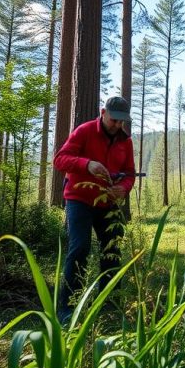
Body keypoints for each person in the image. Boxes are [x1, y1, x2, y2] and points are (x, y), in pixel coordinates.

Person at [53, 96, 137, 323]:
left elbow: (130, 174)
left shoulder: (125, 141)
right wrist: (87, 164)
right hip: (79, 198)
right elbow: (60, 160)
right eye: (114, 120)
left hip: (107, 203)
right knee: (80, 247)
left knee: (112, 250)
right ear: (103, 113)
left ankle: (110, 303)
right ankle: (68, 307)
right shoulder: (84, 131)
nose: (118, 125)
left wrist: (122, 188)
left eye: (122, 121)